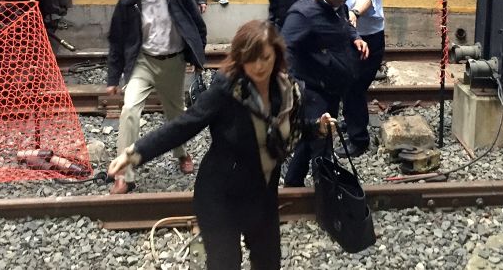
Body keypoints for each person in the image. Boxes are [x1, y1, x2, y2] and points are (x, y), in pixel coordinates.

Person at [108, 20, 334, 269]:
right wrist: (136, 152)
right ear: (240, 58)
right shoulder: (227, 89)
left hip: (262, 195)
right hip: (220, 195)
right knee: (225, 263)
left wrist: (317, 127)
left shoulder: (287, 90)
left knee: (269, 262)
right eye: (250, 59)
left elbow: (289, 130)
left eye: (266, 58)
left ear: (276, 55)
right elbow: (185, 124)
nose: (259, 66)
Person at [106, 0, 207, 193]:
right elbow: (117, 41)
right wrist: (113, 78)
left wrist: (196, 57)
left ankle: (181, 153)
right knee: (129, 109)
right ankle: (125, 175)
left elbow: (198, 27)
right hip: (144, 62)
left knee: (175, 114)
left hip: (173, 63)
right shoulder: (128, 1)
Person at [281, 0, 369, 187]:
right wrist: (293, 85)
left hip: (332, 85)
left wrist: (355, 37)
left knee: (309, 138)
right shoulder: (302, 14)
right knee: (322, 141)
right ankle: (326, 192)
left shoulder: (336, 4)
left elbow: (345, 25)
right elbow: (284, 49)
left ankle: (293, 184)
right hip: (312, 88)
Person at [333, 0, 385, 158]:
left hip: (367, 40)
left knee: (353, 87)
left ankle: (359, 140)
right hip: (355, 37)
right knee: (350, 86)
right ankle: (353, 120)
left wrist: (354, 13)